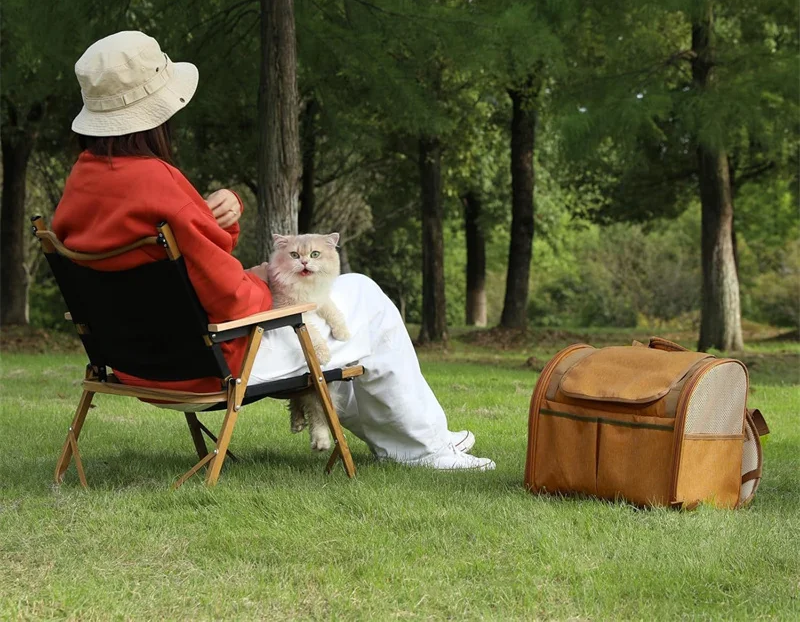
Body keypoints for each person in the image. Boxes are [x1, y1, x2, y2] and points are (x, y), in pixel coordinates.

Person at [52, 31, 495, 471]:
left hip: (135, 362)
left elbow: (176, 260)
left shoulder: (81, 183)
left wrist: (217, 218)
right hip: (214, 361)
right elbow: (233, 299)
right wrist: (265, 279)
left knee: (345, 317)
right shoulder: (157, 181)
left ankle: (413, 442)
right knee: (366, 299)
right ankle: (426, 448)